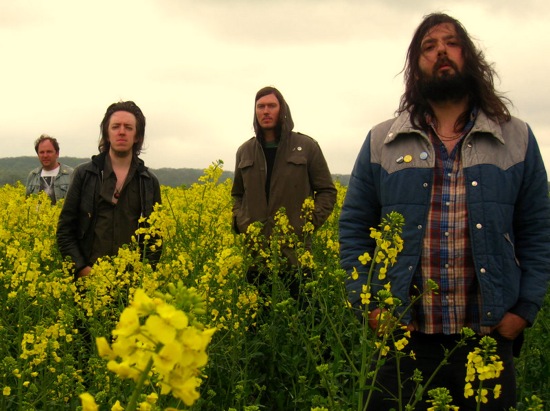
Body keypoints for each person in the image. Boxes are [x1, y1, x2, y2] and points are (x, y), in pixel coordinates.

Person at [339, 13, 550, 411]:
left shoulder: (516, 137)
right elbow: (353, 228)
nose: (441, 52)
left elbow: (538, 230)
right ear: (415, 65)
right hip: (405, 338)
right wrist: (369, 307)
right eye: (429, 46)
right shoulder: (383, 139)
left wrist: (524, 311)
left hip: (488, 337)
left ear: (469, 55)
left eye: (451, 43)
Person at [231, 86, 337, 294]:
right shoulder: (244, 151)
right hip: (256, 257)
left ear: (282, 109)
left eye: (272, 106)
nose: (266, 111)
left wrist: (306, 224)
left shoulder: (307, 146)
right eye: (260, 106)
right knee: (258, 313)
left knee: (301, 312)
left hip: (296, 256)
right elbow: (237, 194)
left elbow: (327, 191)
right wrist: (241, 222)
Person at [56, 101, 162, 280]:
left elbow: (155, 237)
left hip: (131, 283)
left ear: (137, 136)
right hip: (88, 281)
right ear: (107, 133)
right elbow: (65, 229)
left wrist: (143, 275)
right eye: (115, 126)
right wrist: (81, 269)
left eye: (128, 127)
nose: (122, 132)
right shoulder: (84, 174)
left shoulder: (149, 181)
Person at [25, 134, 74, 204]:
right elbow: (27, 202)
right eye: (42, 152)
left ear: (57, 153)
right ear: (38, 155)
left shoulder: (71, 174)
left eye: (49, 152)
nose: (45, 155)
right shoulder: (33, 175)